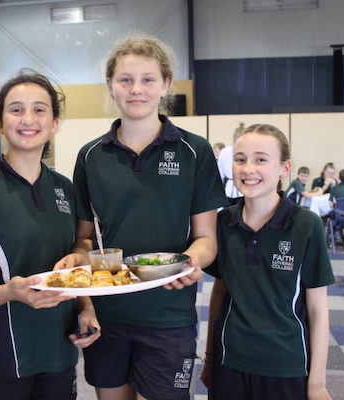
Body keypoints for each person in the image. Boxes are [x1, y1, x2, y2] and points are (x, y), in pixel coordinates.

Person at [57, 34, 227, 400]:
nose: (137, 89)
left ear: (165, 84)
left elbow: (207, 238)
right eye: (125, 79)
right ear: (111, 85)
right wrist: (77, 259)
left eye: (148, 79)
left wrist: (191, 262)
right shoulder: (90, 156)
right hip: (108, 314)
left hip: (168, 315)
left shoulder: (194, 152)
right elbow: (86, 239)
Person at [0, 69, 100, 400]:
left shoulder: (64, 187)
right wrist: (12, 291)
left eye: (39, 109)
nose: (28, 119)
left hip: (59, 351)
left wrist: (86, 306)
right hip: (2, 357)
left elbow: (81, 245)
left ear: (54, 123)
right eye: (16, 109)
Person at [201, 124, 334, 400]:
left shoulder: (306, 225)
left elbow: (318, 309)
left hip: (285, 364)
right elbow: (220, 292)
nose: (248, 168)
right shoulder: (224, 221)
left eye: (261, 159)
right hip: (230, 361)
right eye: (240, 159)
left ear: (285, 169)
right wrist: (210, 358)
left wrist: (317, 382)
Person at [217, 123, 245, 205]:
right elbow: (219, 175)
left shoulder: (224, 151)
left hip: (240, 190)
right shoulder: (225, 152)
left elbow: (220, 175)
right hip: (230, 190)